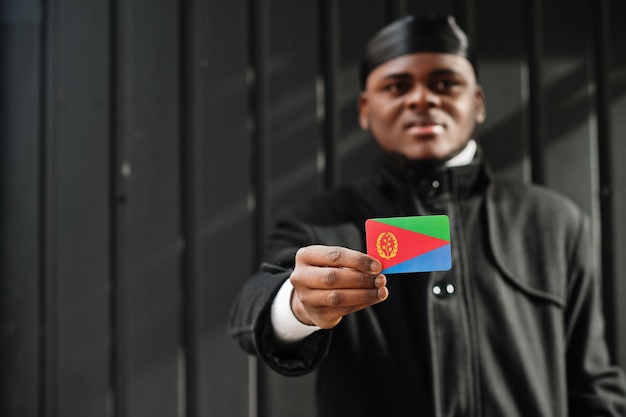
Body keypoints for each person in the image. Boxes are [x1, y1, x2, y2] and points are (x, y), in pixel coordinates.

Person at [229, 15, 626, 416]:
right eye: (398, 86)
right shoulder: (320, 223)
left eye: (445, 83)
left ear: (479, 102)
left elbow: (592, 382)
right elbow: (253, 306)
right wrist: (298, 305)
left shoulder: (554, 223)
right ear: (365, 110)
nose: (423, 99)